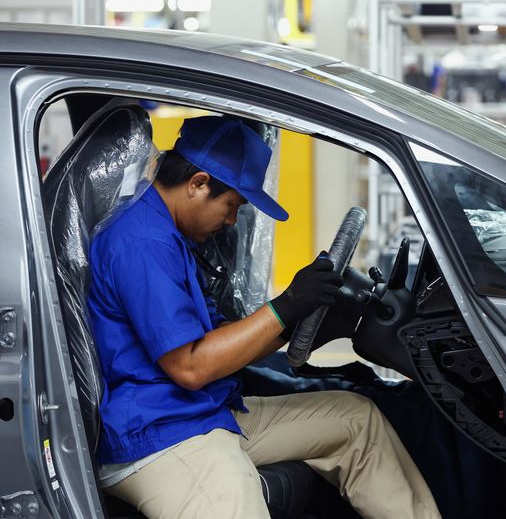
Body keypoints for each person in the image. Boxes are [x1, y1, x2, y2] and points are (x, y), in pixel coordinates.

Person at [87, 115, 441, 519]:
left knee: (356, 421)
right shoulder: (142, 242)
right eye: (232, 205)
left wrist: (294, 319)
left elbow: (220, 338)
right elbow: (190, 366)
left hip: (203, 412)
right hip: (160, 436)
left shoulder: (169, 234)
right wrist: (286, 305)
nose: (231, 221)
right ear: (199, 183)